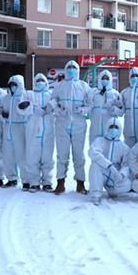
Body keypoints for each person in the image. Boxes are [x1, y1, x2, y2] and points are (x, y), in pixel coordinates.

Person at [50, 60, 92, 195]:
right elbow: (53, 101)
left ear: (78, 70)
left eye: (74, 67)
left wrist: (83, 110)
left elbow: (90, 103)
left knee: (79, 154)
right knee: (62, 154)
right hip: (62, 123)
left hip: (79, 123)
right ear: (65, 69)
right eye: (69, 67)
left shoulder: (84, 86)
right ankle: (60, 182)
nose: (72, 70)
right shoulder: (59, 85)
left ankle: (80, 183)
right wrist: (58, 111)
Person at [17, 73, 56, 193]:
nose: (40, 82)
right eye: (37, 80)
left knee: (47, 157)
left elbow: (57, 102)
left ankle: (47, 182)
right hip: (33, 130)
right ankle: (34, 182)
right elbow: (20, 108)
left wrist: (52, 105)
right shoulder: (28, 94)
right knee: (32, 156)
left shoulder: (51, 94)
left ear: (46, 82)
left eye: (42, 80)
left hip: (49, 129)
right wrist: (33, 109)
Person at [88, 117, 132, 205]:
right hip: (102, 171)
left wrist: (122, 174)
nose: (113, 129)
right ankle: (96, 195)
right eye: (111, 127)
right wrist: (108, 165)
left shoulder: (124, 147)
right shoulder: (100, 141)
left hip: (114, 174)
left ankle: (113, 191)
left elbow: (126, 164)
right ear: (107, 128)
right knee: (95, 166)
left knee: (127, 184)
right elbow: (93, 152)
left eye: (116, 127)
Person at [112, 67, 138, 150]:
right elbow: (121, 111)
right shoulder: (125, 92)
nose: (134, 78)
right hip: (128, 131)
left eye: (136, 75)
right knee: (129, 154)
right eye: (132, 76)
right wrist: (114, 109)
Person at [0, 74, 29, 189]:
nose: (13, 87)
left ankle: (26, 180)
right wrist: (3, 116)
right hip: (8, 127)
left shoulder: (24, 97)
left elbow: (28, 112)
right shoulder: (6, 98)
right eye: (11, 85)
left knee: (22, 155)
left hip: (20, 127)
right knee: (7, 155)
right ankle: (11, 178)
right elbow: (1, 111)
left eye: (15, 85)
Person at [88, 69, 124, 144]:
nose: (105, 80)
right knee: (94, 149)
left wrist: (114, 109)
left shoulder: (115, 94)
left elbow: (121, 111)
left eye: (107, 78)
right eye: (103, 78)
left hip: (110, 128)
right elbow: (88, 105)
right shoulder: (93, 92)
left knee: (109, 150)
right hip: (95, 127)